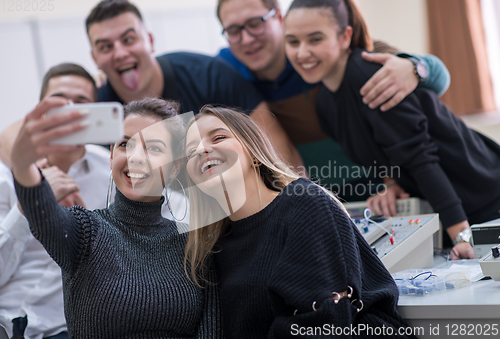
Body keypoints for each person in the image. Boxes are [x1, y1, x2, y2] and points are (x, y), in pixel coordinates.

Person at [283, 0, 500, 259]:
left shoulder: (368, 76)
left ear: (345, 37)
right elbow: (383, 149)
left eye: (315, 39)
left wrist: (461, 235)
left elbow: (420, 158)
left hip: (485, 196)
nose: (302, 52)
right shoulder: (326, 104)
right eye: (293, 42)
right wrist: (392, 181)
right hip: (461, 210)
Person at [183, 106, 415, 338]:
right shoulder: (210, 247)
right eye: (191, 150)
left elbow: (326, 322)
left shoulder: (304, 203)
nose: (202, 149)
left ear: (254, 153)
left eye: (219, 137)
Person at [0, 0, 303, 174]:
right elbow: (9, 139)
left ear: (150, 41)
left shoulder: (207, 74)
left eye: (129, 39)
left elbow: (275, 147)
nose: (119, 52)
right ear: (95, 58)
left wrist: (298, 203)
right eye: (106, 46)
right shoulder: (100, 108)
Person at [10, 97, 221, 338]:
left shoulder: (195, 245)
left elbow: (212, 329)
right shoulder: (85, 231)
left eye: (154, 148)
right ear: (111, 156)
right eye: (125, 144)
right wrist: (22, 162)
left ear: (175, 167)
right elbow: (41, 212)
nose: (136, 157)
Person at [215, 0, 450, 204]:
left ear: (278, 17)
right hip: (323, 196)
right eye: (234, 30)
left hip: (390, 186)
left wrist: (415, 68)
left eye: (255, 24)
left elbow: (439, 78)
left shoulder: (330, 53)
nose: (246, 39)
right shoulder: (226, 74)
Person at [0, 63, 111, 339]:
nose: (69, 113)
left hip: (71, 323)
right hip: (7, 317)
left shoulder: (113, 173)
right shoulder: (5, 177)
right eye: (59, 103)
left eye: (81, 103)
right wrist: (27, 206)